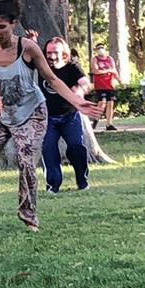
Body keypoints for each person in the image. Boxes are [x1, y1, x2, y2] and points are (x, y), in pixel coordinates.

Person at [0, 0, 102, 234]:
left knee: (26, 161)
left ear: (13, 23)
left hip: (32, 114)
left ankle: (29, 216)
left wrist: (77, 101)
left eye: (1, 27)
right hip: (1, 115)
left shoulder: (27, 48)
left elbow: (52, 78)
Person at [40, 39, 93, 193]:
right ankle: (53, 186)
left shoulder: (72, 67)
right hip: (48, 118)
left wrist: (80, 90)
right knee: (49, 149)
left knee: (76, 147)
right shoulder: (41, 66)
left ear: (64, 54)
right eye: (48, 53)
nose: (51, 56)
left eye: (55, 52)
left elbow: (86, 83)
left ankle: (82, 182)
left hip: (70, 116)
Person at [89, 45, 119, 131]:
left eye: (101, 48)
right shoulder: (94, 59)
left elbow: (114, 70)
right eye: (98, 48)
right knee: (102, 103)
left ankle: (109, 124)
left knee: (110, 103)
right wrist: (108, 70)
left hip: (109, 84)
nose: (100, 50)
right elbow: (95, 71)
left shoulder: (110, 59)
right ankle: (95, 119)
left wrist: (119, 79)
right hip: (100, 84)